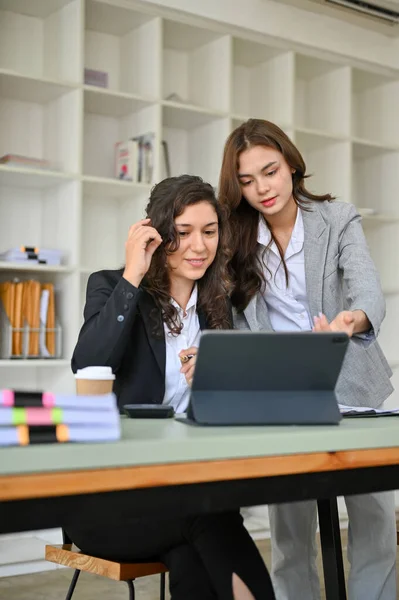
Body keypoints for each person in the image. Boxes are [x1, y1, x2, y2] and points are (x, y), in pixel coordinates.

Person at [68, 174, 276, 600]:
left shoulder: (220, 306)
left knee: (192, 557)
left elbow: (234, 412)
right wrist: (132, 274)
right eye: (183, 233)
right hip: (110, 499)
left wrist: (217, 383)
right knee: (210, 516)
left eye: (209, 232)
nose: (200, 246)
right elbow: (88, 363)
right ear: (157, 235)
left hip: (185, 488)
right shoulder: (111, 286)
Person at [218, 119, 396, 600]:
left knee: (374, 525)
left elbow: (368, 292)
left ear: (292, 165)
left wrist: (348, 322)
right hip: (284, 395)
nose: (262, 188)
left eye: (270, 171)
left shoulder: (336, 218)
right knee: (290, 532)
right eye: (248, 181)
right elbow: (235, 326)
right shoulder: (234, 239)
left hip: (353, 381)